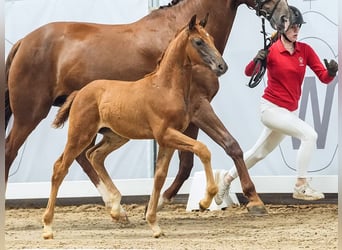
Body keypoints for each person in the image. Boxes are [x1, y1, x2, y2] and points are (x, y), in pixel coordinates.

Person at [214, 5, 338, 204]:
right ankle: (301, 184)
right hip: (270, 110)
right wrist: (257, 58)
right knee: (310, 135)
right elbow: (248, 73)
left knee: (258, 153)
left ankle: (226, 180)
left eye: (299, 27)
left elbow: (323, 78)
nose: (297, 30)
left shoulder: (304, 51)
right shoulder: (272, 51)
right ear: (282, 28)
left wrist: (331, 72)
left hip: (288, 112)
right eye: (293, 27)